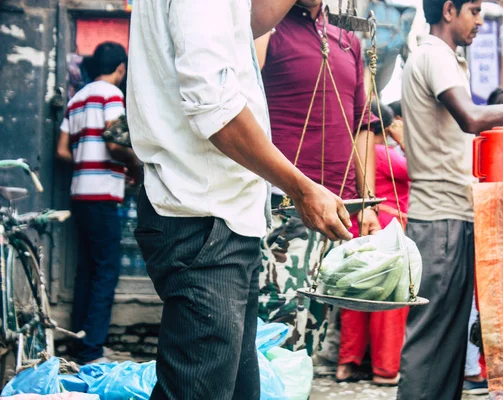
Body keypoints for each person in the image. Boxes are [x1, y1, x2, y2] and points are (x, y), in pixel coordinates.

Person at [126, 1, 353, 399]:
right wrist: (300, 187)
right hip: (203, 218)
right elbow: (213, 105)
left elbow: (244, 21)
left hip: (226, 216)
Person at [398, 1, 503, 399]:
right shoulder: (436, 56)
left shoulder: (439, 59)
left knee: (449, 345)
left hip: (452, 217)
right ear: (448, 10)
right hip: (442, 221)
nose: (481, 21)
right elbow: (471, 118)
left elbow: (462, 133)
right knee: (432, 340)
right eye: (474, 10)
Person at [255, 0, 380, 356]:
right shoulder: (265, 28)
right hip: (283, 209)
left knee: (312, 332)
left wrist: (367, 204)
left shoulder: (346, 40)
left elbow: (363, 126)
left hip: (337, 211)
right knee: (275, 329)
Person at [56, 42, 141, 365]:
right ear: (120, 68)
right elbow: (113, 139)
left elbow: (62, 151)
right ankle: (92, 350)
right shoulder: (111, 95)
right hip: (103, 192)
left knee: (86, 270)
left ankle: (78, 341)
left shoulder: (76, 99)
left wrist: (84, 160)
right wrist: (133, 164)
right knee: (106, 270)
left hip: (80, 192)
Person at [337, 102, 410, 385]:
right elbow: (416, 169)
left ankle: (347, 364)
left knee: (354, 296)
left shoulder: (355, 152)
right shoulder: (382, 153)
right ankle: (385, 369)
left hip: (359, 229)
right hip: (386, 232)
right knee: (389, 298)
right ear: (387, 127)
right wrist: (403, 139)